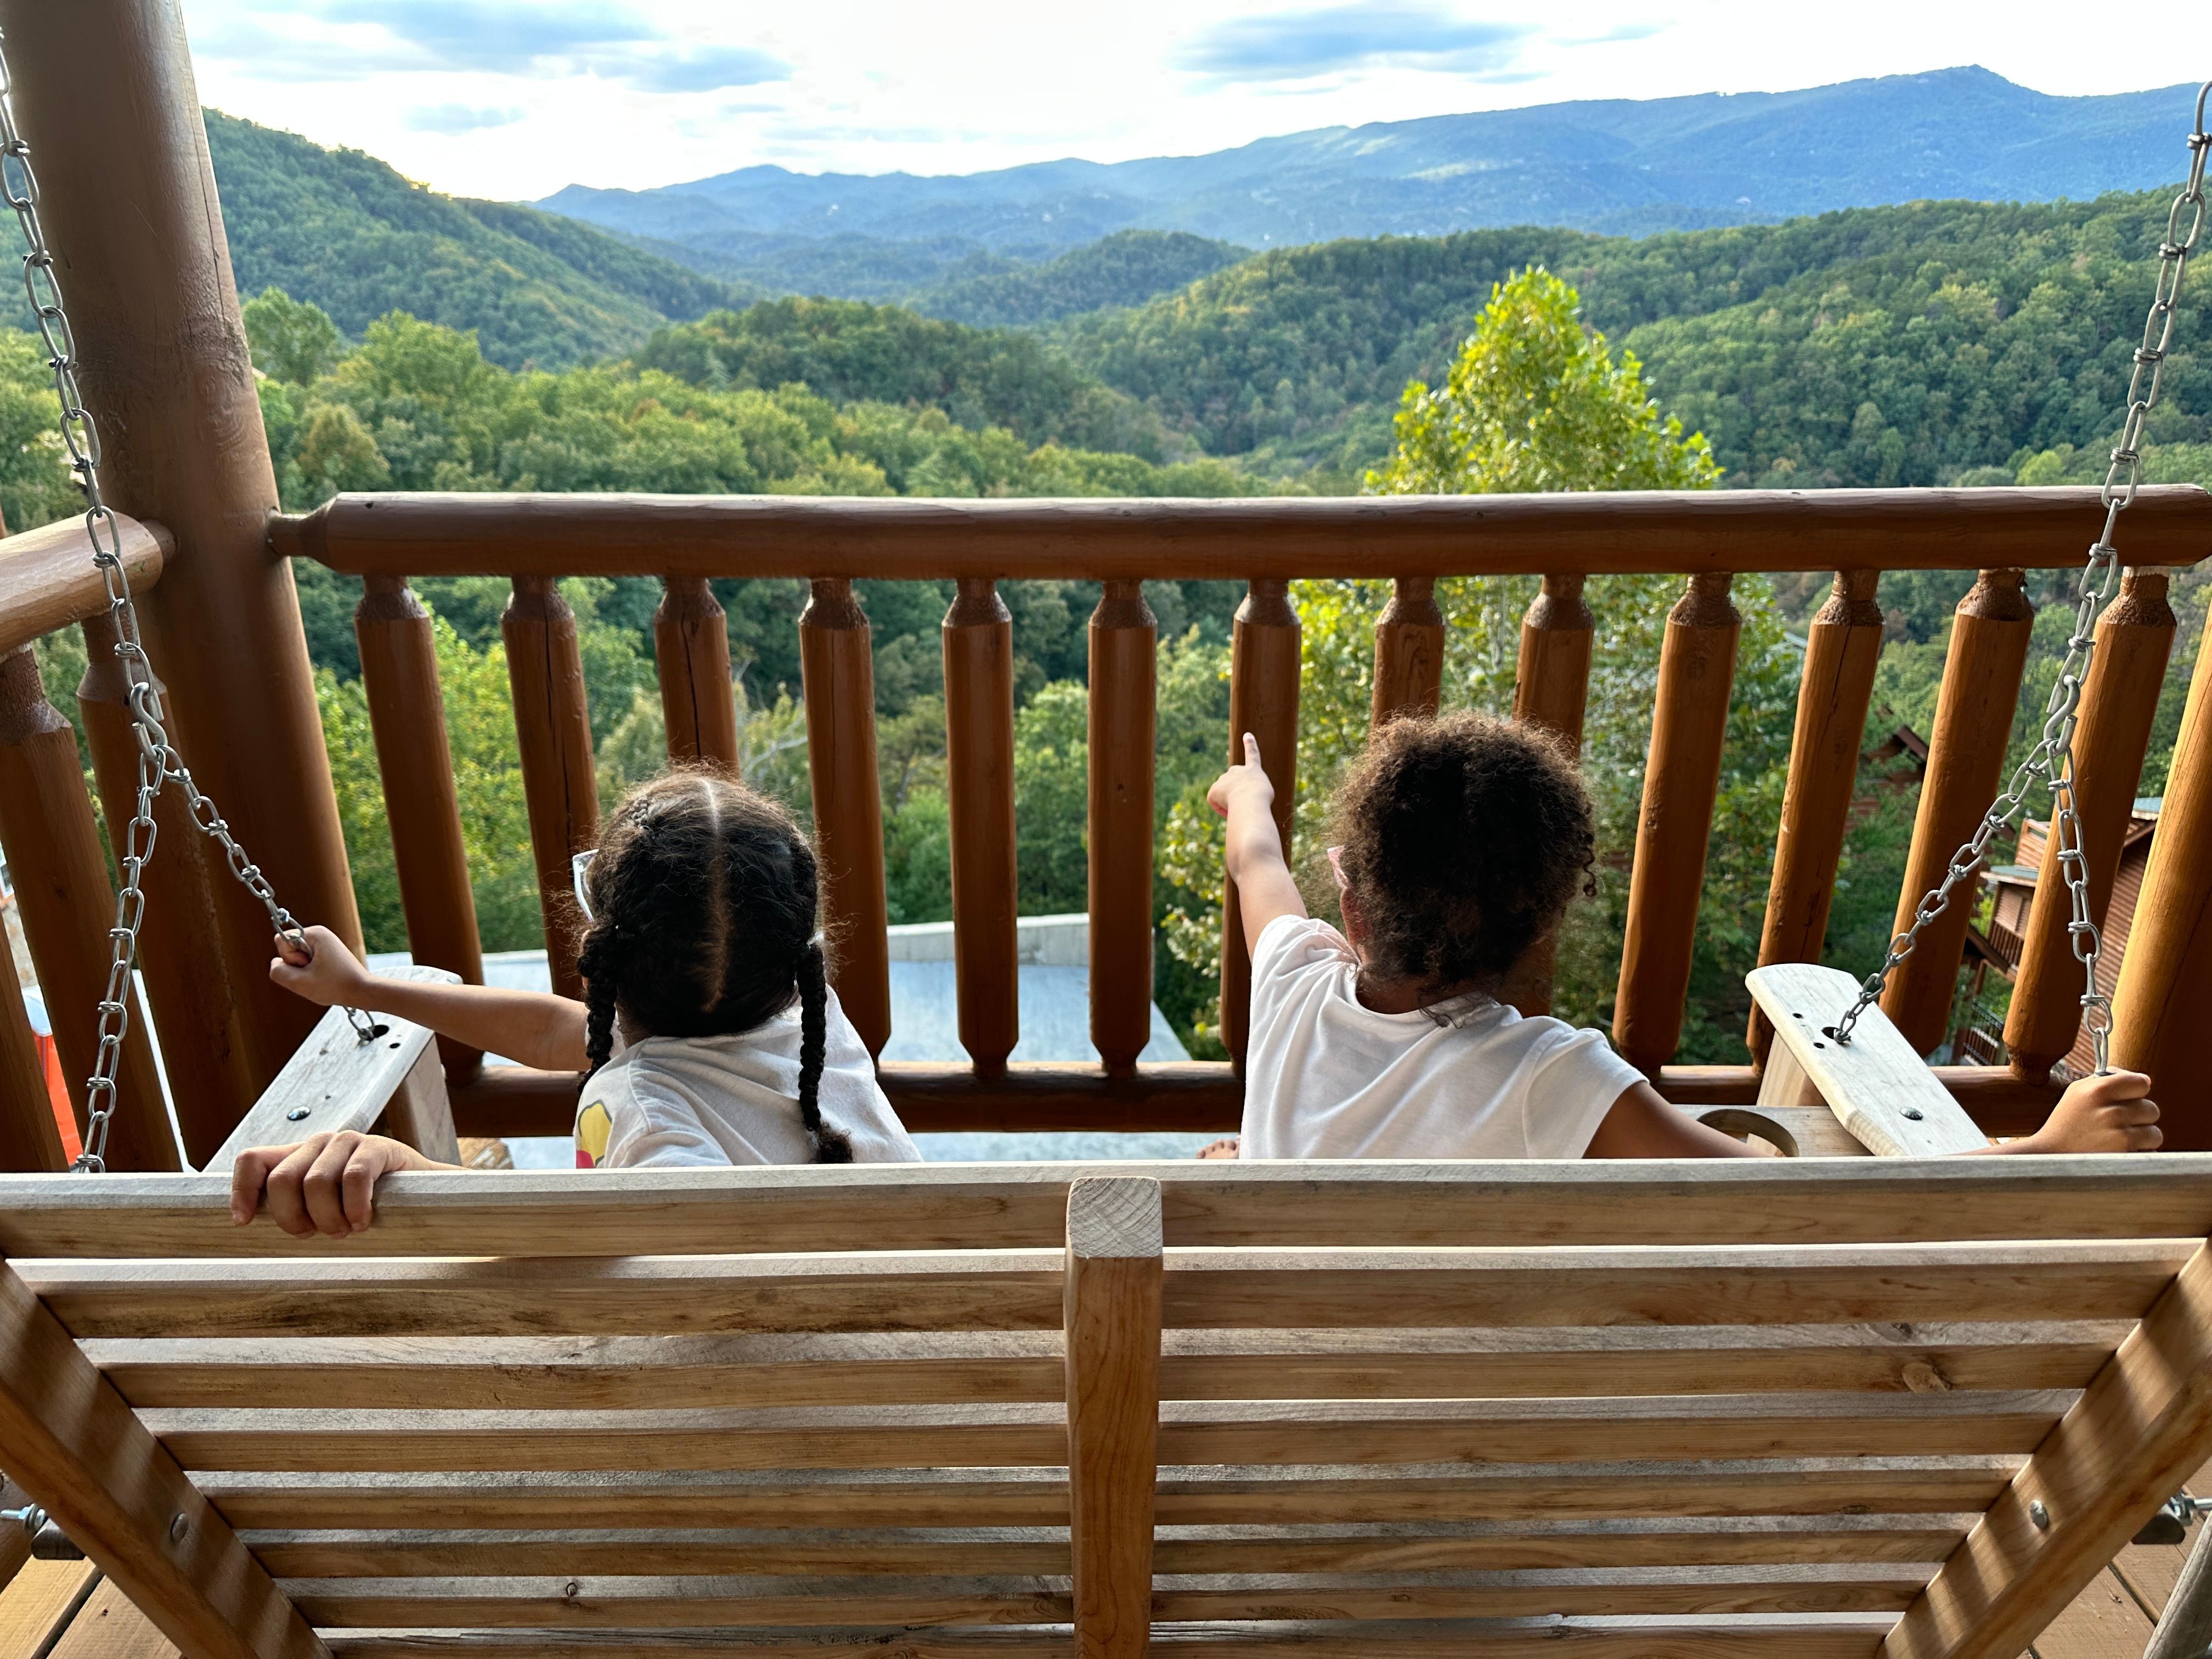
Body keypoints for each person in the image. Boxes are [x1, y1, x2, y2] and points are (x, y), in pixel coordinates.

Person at [1205, 714, 2160, 1161]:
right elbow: (1808, 1211)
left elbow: (1256, 860)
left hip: (1276, 1400)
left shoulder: (1291, 978)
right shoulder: (1556, 1080)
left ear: (1353, 905)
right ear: (1541, 924)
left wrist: (1247, 791)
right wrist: (2049, 1151)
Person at [231, 771, 918, 1235]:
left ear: (602, 956)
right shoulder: (812, 1019)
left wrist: (413, 1173)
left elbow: (597, 1230)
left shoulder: (644, 1106)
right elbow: (550, 1033)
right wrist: (363, 988)